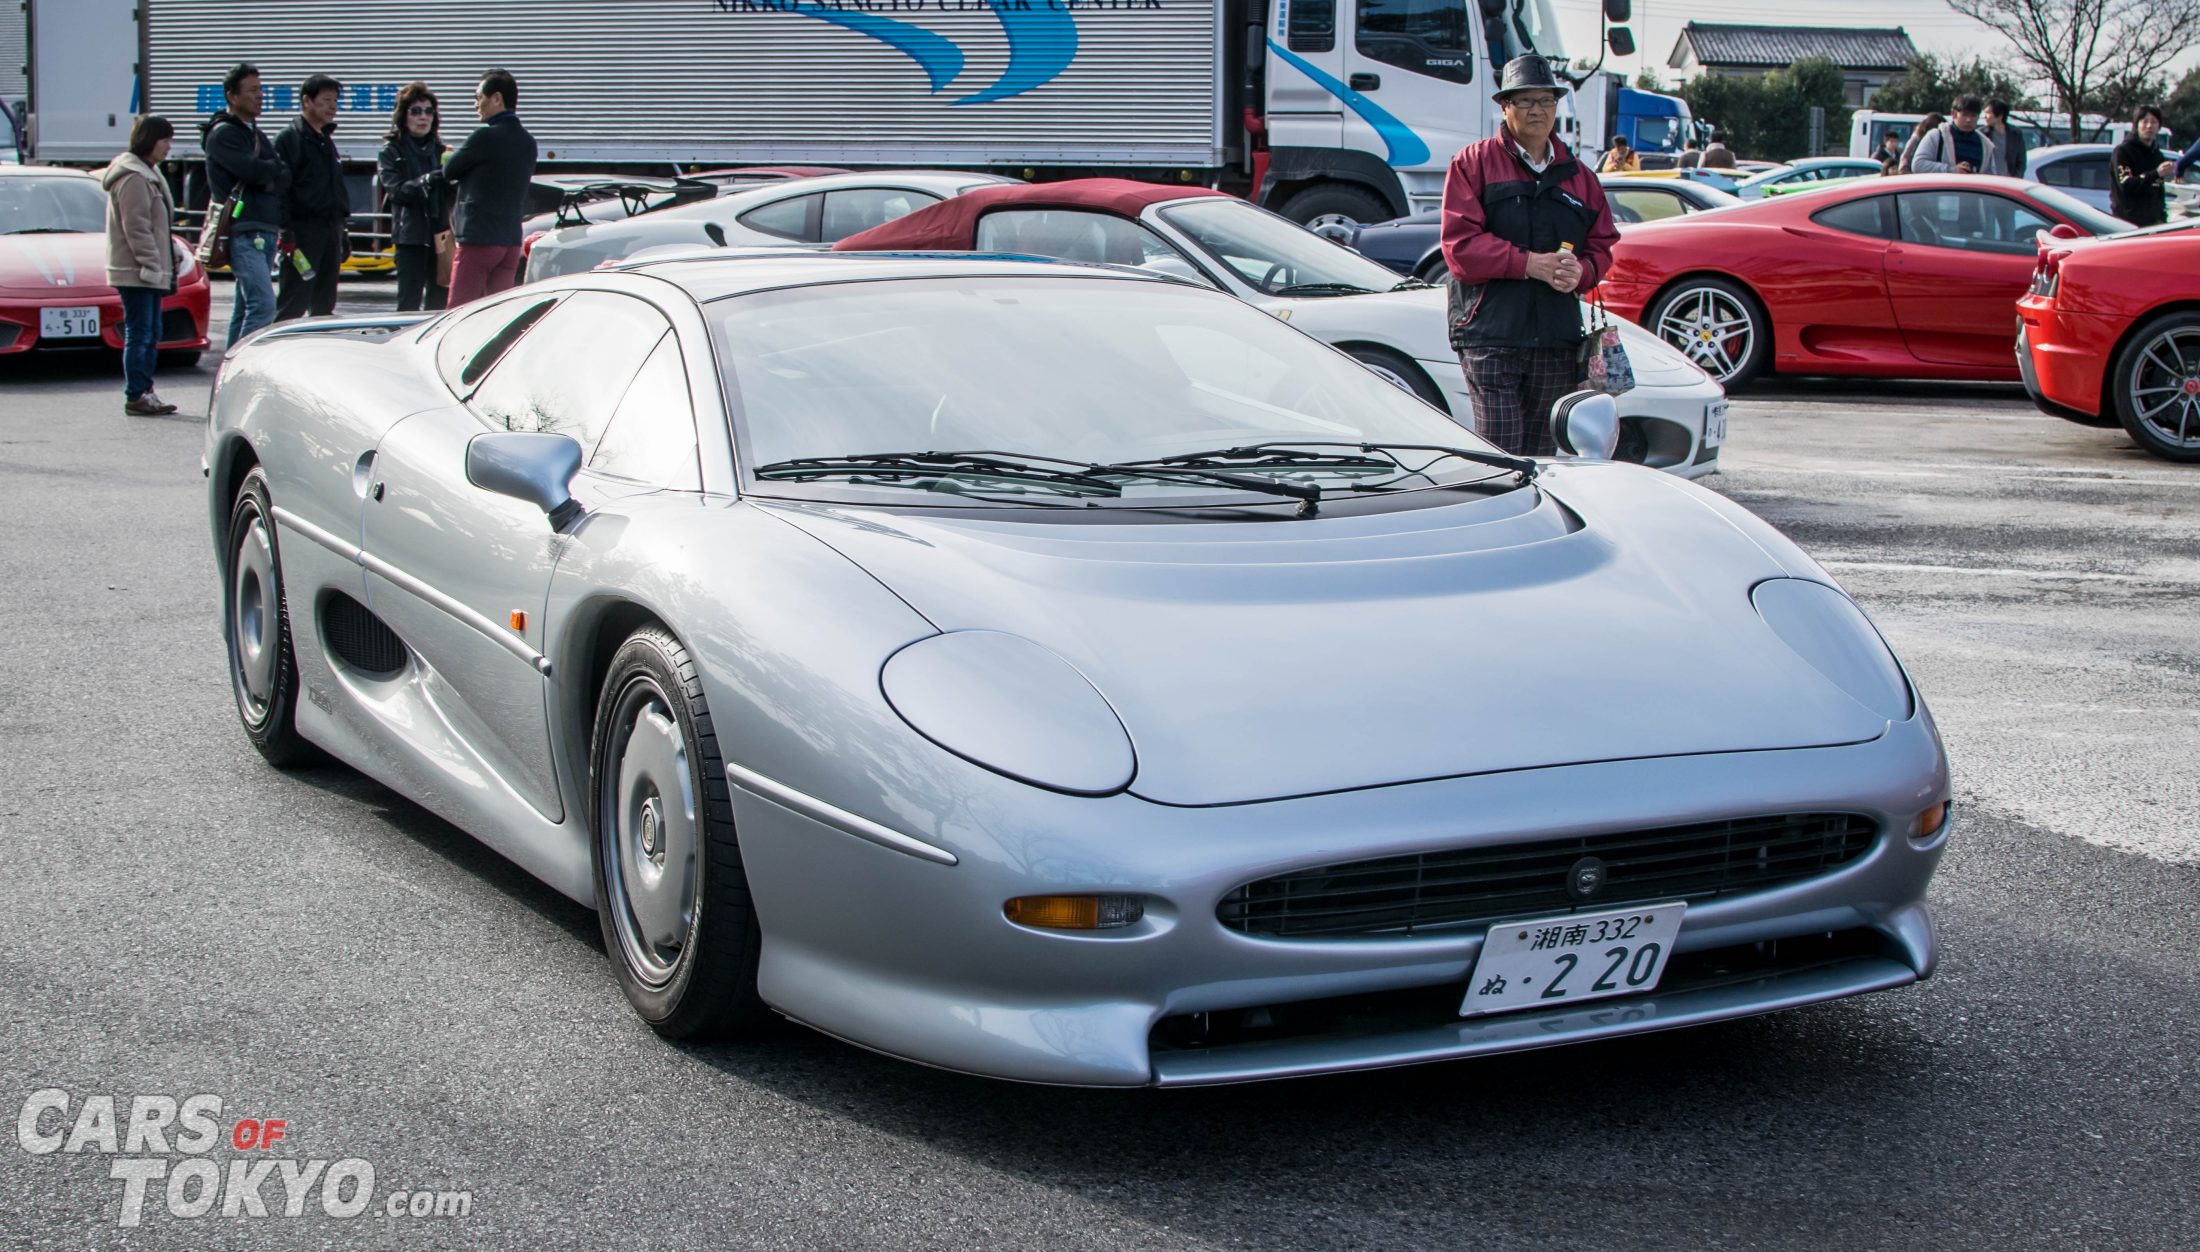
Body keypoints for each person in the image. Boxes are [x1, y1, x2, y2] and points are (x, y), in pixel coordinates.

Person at [1439, 55, 1620, 458]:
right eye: (1524, 101)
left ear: (1556, 108)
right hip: (1489, 335)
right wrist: (1529, 264)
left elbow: (1603, 245)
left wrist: (1584, 271)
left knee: (1542, 456)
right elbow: (1459, 250)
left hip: (1556, 338)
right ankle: (1493, 520)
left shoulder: (1581, 176)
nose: (1537, 110)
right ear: (1504, 107)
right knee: (1500, 454)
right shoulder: (1473, 163)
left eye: (1545, 100)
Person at [201, 63, 288, 345]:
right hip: (244, 230)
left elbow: (282, 173)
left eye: (261, 89)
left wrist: (267, 172)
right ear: (232, 96)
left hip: (263, 227)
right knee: (262, 305)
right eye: (253, 90)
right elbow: (252, 170)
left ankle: (230, 370)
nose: (260, 95)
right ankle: (245, 367)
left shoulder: (255, 134)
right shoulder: (223, 133)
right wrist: (267, 171)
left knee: (244, 309)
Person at [436, 68, 537, 305]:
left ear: (497, 98)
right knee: (498, 311)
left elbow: (449, 172)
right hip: (510, 240)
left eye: (478, 97)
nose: (476, 104)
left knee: (459, 309)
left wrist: (447, 157)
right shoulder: (528, 142)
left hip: (479, 237)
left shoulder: (484, 138)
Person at [104, 115, 180, 416]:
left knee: (150, 331)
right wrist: (153, 264)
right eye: (165, 140)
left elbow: (157, 226)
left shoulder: (147, 173)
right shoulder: (133, 176)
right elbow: (136, 227)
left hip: (148, 269)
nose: (168, 147)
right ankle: (136, 394)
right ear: (149, 140)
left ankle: (145, 391)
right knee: (141, 333)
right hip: (136, 271)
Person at [273, 73, 350, 321]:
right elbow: (281, 189)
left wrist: (343, 230)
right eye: (326, 100)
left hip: (330, 229)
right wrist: (285, 230)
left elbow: (334, 188)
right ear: (306, 100)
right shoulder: (290, 139)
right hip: (303, 231)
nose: (332, 107)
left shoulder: (325, 140)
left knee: (324, 303)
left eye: (335, 101)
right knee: (294, 300)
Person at [377, 82, 450, 311]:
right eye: (416, 111)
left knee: (440, 304)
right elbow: (397, 191)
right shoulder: (390, 151)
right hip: (410, 237)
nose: (423, 117)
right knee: (408, 304)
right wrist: (428, 180)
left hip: (442, 235)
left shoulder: (441, 150)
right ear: (403, 115)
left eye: (429, 111)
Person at [2111, 105, 2177, 227]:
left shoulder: (2158, 154)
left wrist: (2162, 217)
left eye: (2153, 122)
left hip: (2154, 223)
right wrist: (2155, 173)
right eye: (2144, 121)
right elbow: (2126, 185)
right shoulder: (2123, 152)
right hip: (2127, 223)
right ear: (2136, 124)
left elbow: (2158, 191)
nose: (2149, 126)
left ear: (2159, 126)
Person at [1911, 96, 1997, 174]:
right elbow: (1918, 165)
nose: (1968, 120)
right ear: (1954, 114)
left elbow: (1991, 174)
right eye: (1965, 115)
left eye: (1973, 116)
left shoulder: (1984, 144)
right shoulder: (1937, 136)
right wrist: (1952, 170)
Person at [1983, 99, 2027, 178]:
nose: (1985, 116)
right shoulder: (1983, 134)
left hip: (2008, 181)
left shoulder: (2015, 134)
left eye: (1988, 113)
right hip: (1988, 180)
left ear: (2000, 116)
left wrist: (2017, 177)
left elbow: (2021, 161)